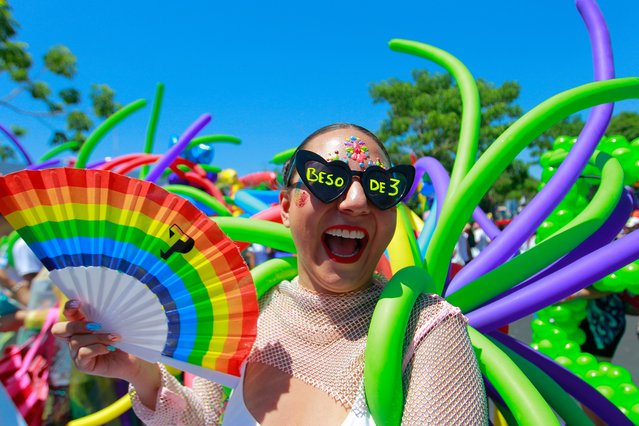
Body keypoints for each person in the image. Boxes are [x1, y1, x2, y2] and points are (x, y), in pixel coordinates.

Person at [52, 123, 488, 424]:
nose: (357, 200)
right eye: (327, 179)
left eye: (381, 186)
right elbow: (200, 420)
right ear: (283, 206)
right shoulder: (242, 309)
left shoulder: (427, 330)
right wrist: (143, 374)